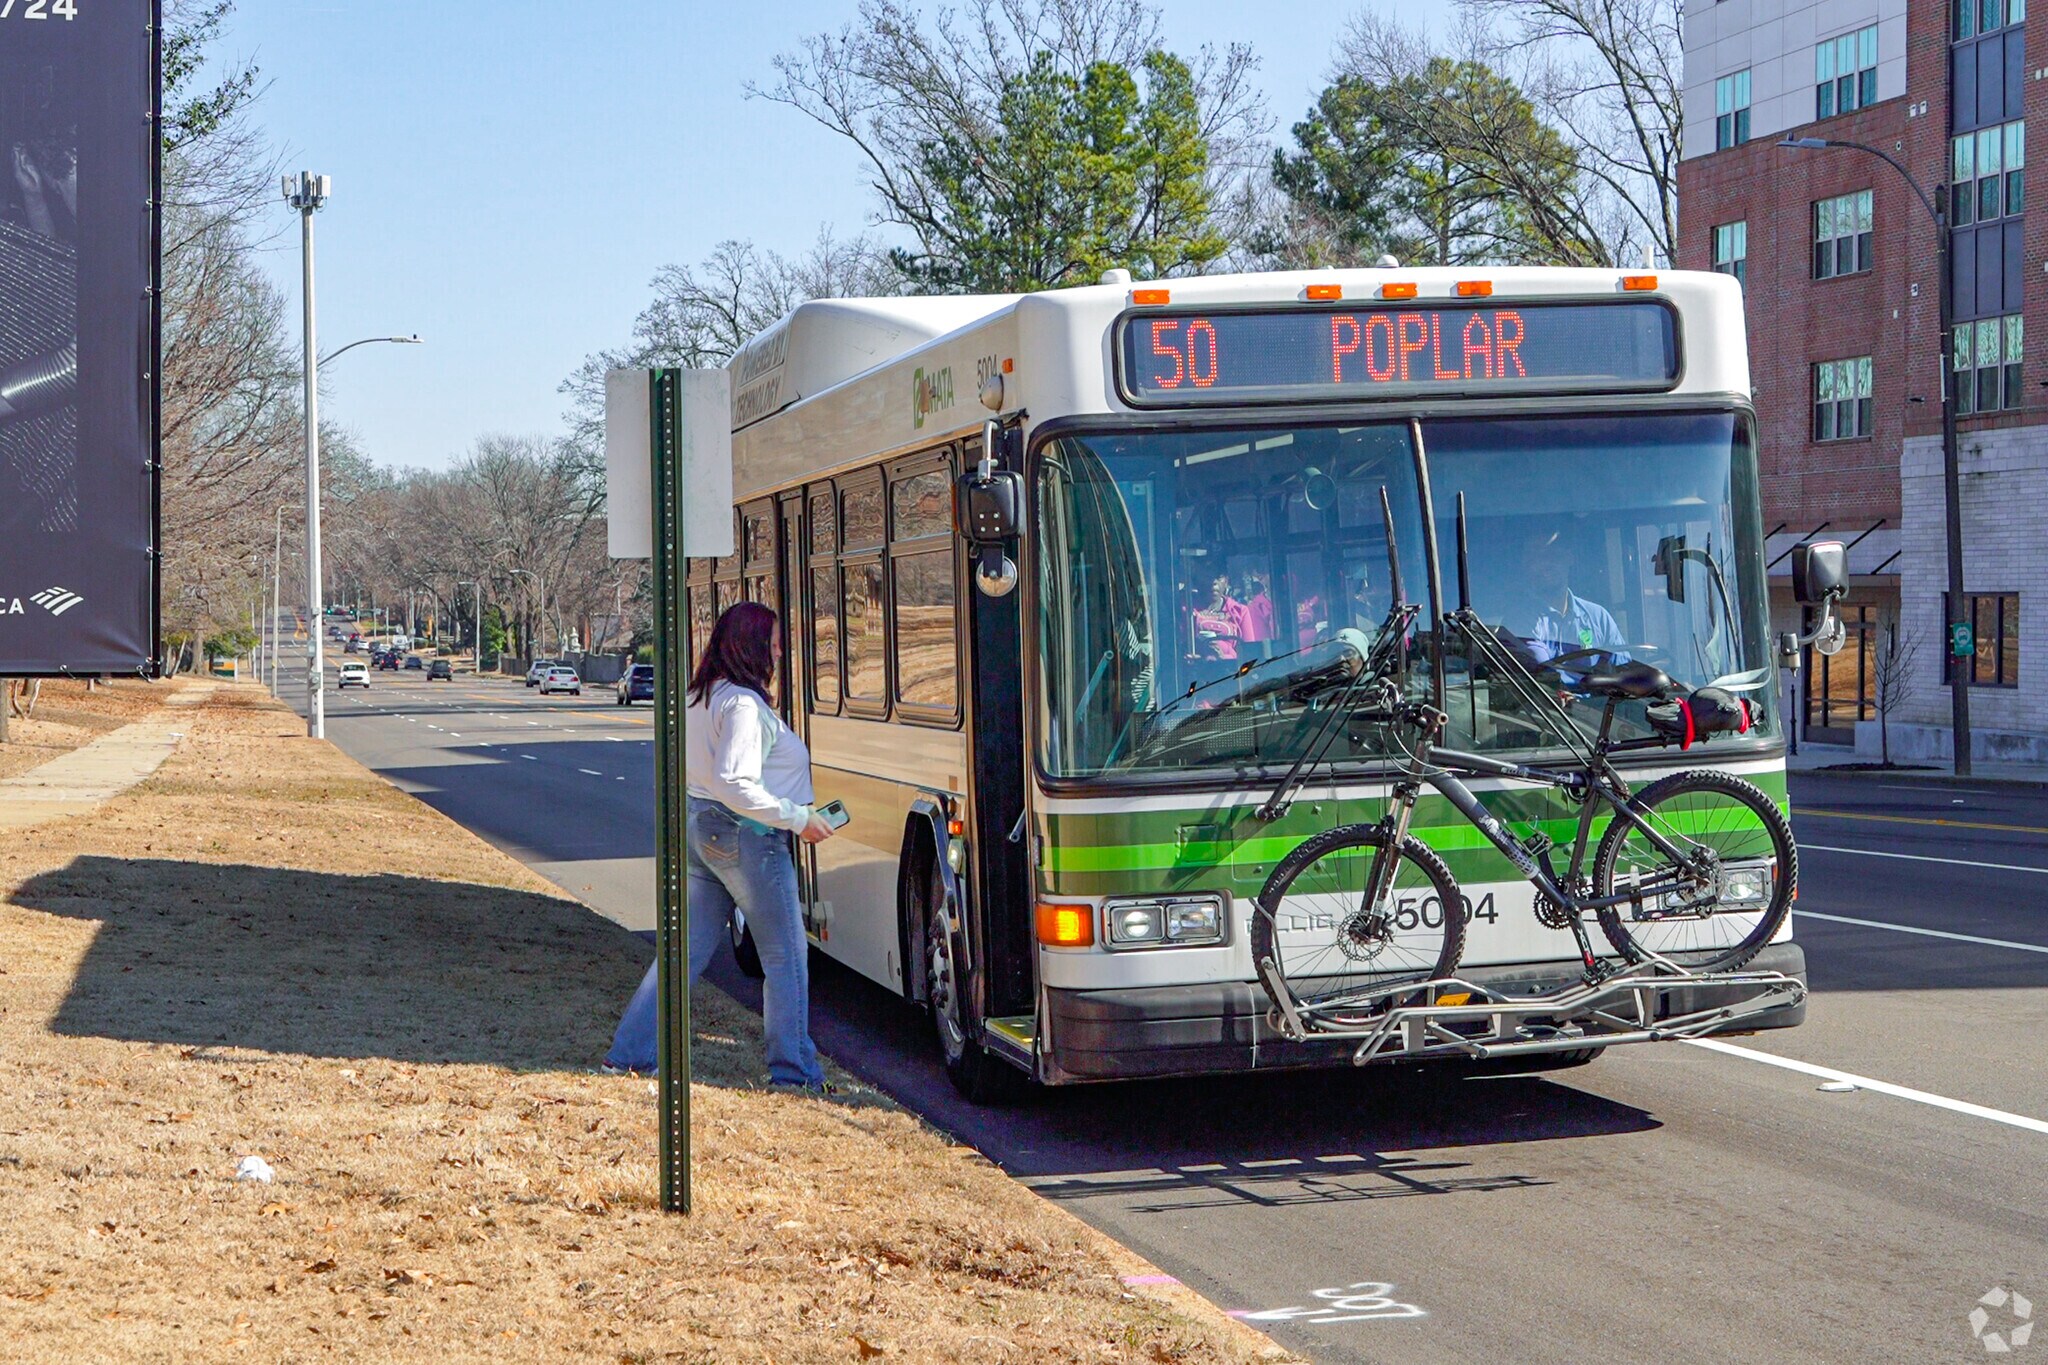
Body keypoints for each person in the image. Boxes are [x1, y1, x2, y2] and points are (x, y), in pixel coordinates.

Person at [604, 602, 839, 1089]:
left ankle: (629, 1055)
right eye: (773, 642)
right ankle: (795, 1075)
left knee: (680, 954)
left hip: (701, 828)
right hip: (748, 837)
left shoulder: (702, 695)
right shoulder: (743, 707)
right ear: (750, 646)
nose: (779, 651)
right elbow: (736, 782)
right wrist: (799, 819)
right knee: (786, 957)